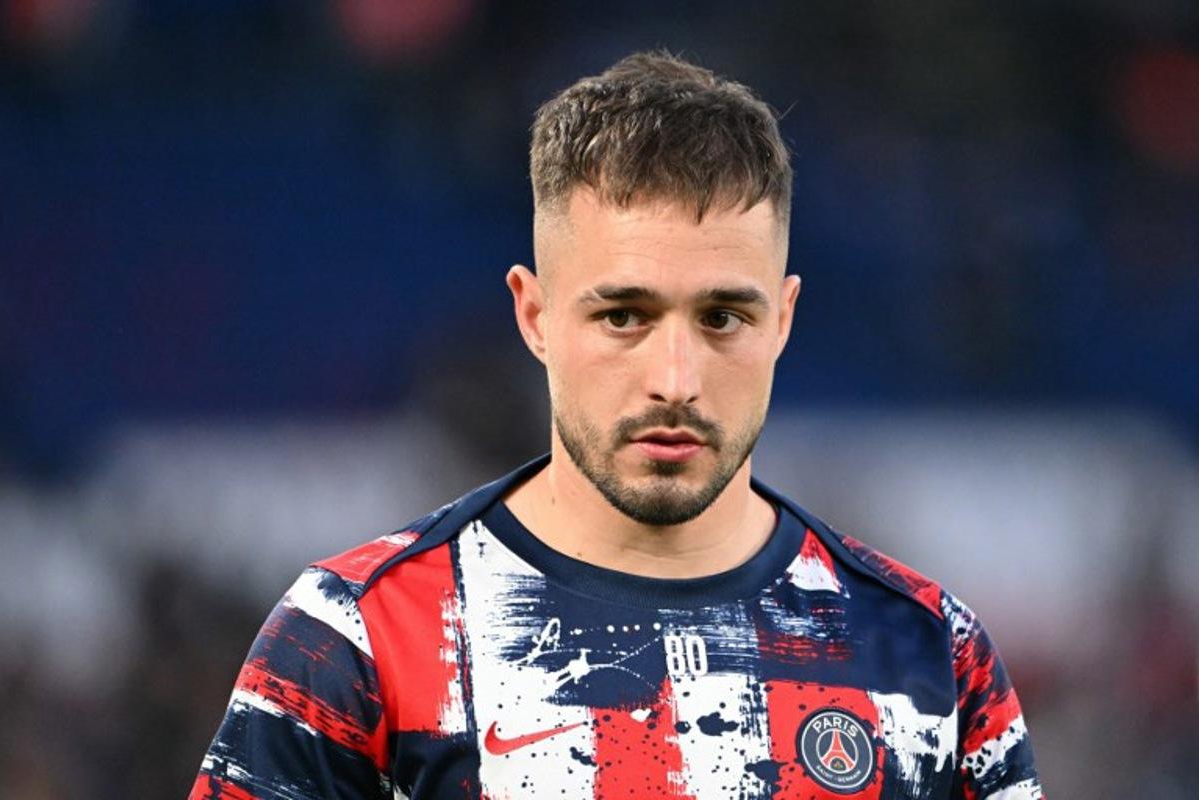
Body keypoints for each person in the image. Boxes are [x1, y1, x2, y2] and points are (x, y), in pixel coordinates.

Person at [190, 52, 1044, 800]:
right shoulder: (358, 639)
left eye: (722, 319)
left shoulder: (932, 658)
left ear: (782, 321)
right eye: (625, 316)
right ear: (534, 315)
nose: (675, 381)